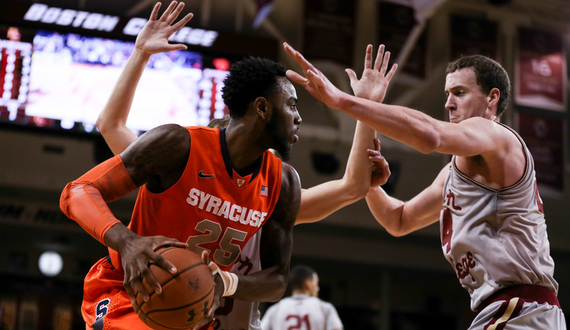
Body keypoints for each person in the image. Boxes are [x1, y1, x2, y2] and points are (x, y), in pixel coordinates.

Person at [94, 10, 396, 328]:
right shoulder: (174, 163)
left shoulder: (272, 195)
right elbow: (110, 124)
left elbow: (354, 186)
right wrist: (140, 53)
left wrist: (368, 108)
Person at [284, 42, 567, 329]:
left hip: (523, 310)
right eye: (447, 94)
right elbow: (399, 220)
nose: (448, 103)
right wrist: (372, 184)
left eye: (459, 92)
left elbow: (430, 136)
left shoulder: (495, 135)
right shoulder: (451, 174)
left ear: (492, 98)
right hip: (505, 311)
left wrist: (342, 101)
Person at [59, 1, 305, 329]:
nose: (299, 117)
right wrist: (126, 241)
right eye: (291, 105)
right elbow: (77, 192)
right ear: (262, 108)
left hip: (193, 304)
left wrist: (225, 283)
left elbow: (277, 278)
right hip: (129, 289)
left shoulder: (284, 184)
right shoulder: (178, 146)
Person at [261, 265, 343, 330]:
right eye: (316, 284)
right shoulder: (325, 307)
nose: (318, 289)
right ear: (308, 285)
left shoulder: (275, 309)